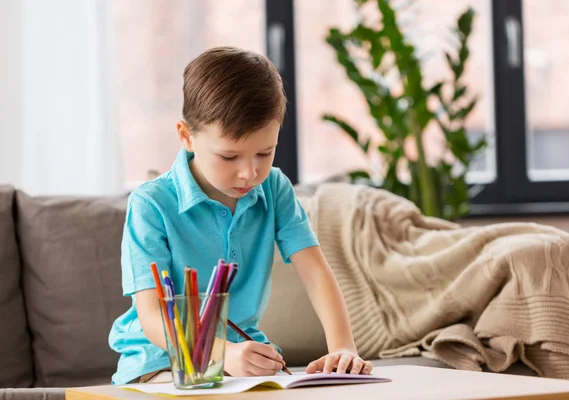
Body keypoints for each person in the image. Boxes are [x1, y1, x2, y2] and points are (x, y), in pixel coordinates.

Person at [108, 46, 372, 385]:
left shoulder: (275, 188)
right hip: (160, 358)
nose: (249, 173)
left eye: (265, 152)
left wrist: (344, 348)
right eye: (229, 156)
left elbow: (316, 271)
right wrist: (222, 355)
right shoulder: (151, 204)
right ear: (187, 136)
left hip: (239, 352)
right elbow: (152, 317)